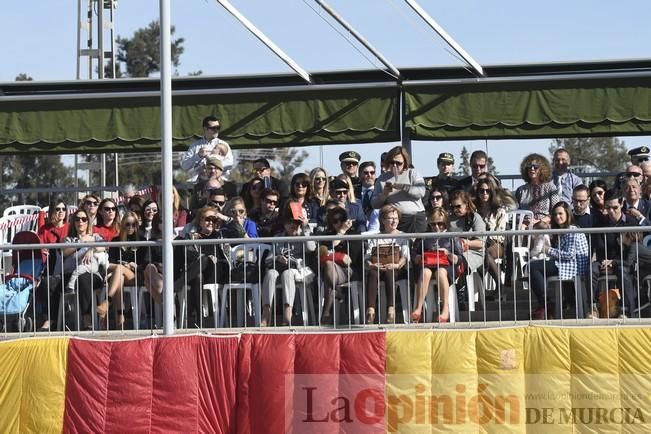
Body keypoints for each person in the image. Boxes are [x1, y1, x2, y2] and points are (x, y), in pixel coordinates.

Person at [529, 202, 589, 320]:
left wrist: (548, 250)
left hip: (572, 266)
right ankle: (545, 304)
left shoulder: (572, 230)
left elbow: (569, 255)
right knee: (533, 267)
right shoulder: (562, 230)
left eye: (560, 213)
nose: (557, 217)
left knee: (533, 267)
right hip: (564, 263)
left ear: (567, 214)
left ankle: (545, 304)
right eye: (555, 214)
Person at [260, 203, 316, 326]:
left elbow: (311, 248)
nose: (292, 225)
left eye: (296, 222)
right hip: (279, 267)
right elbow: (267, 260)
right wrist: (278, 258)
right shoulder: (278, 237)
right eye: (289, 222)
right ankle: (266, 312)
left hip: (299, 270)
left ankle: (287, 313)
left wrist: (305, 228)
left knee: (287, 273)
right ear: (284, 223)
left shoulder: (303, 236)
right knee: (270, 273)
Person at [411, 207, 464, 323]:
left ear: (445, 223)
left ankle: (445, 308)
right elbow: (414, 254)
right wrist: (418, 257)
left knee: (441, 272)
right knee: (425, 272)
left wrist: (449, 254)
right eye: (433, 224)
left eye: (440, 224)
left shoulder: (452, 236)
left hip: (446, 266)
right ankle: (418, 308)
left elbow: (460, 258)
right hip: (428, 264)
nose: (436, 227)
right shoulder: (423, 236)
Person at [57, 209, 106, 330]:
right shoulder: (68, 240)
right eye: (77, 219)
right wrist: (81, 242)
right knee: (48, 283)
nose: (80, 222)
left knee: (82, 279)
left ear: (88, 222)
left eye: (84, 219)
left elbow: (103, 246)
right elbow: (65, 251)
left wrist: (91, 249)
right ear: (73, 222)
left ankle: (87, 319)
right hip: (69, 274)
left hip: (92, 274)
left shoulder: (95, 236)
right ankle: (50, 321)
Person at [364, 205, 409, 324]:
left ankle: (391, 310)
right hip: (378, 268)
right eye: (390, 218)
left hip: (396, 269)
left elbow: (405, 256)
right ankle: (371, 311)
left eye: (396, 218)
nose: (394, 221)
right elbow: (367, 257)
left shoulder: (402, 236)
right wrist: (371, 265)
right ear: (383, 220)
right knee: (372, 273)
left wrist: (397, 265)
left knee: (390, 272)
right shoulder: (376, 238)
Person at [97, 212, 142, 329]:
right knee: (119, 275)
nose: (131, 227)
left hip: (136, 276)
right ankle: (120, 321)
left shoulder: (141, 240)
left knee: (120, 269)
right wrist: (121, 266)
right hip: (119, 276)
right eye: (128, 224)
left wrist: (133, 265)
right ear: (123, 225)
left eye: (134, 224)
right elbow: (109, 263)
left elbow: (145, 264)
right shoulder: (116, 241)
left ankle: (108, 301)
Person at [318, 207, 363, 325]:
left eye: (341, 219)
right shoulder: (327, 235)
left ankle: (327, 311)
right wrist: (341, 233)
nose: (339, 223)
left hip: (350, 270)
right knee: (328, 264)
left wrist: (334, 254)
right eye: (335, 221)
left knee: (328, 276)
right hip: (332, 271)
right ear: (331, 223)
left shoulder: (354, 234)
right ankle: (337, 294)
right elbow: (324, 253)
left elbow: (352, 258)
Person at [371, 146, 427, 233]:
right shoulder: (382, 179)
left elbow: (421, 192)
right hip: (396, 221)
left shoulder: (413, 173)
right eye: (391, 162)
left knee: (418, 246)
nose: (394, 166)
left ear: (405, 162)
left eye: (398, 163)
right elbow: (374, 204)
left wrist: (403, 187)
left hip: (416, 219)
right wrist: (384, 195)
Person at [473, 175, 513, 287]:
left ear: (492, 193)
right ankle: (493, 287)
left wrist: (488, 237)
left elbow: (500, 235)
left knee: (485, 253)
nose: (485, 193)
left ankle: (497, 286)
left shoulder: (500, 211)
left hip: (496, 244)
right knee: (481, 253)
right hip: (478, 243)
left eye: (488, 191)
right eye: (481, 191)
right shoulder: (473, 210)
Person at [179, 116, 233, 182]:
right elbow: (184, 166)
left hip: (219, 182)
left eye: (218, 128)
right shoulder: (194, 146)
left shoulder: (224, 145)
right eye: (213, 128)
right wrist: (198, 156)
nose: (216, 130)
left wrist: (210, 166)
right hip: (199, 183)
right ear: (205, 129)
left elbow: (230, 164)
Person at [515, 153, 560, 225]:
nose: (532, 169)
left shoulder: (550, 188)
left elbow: (556, 212)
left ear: (542, 169)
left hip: (545, 226)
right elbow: (516, 213)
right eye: (529, 167)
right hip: (525, 226)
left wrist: (538, 222)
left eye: (535, 167)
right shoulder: (521, 190)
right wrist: (524, 220)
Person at [359, 161, 380, 231]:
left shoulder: (381, 191)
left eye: (372, 172)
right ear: (359, 175)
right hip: (358, 229)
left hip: (377, 229)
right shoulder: (353, 192)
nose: (369, 175)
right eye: (366, 173)